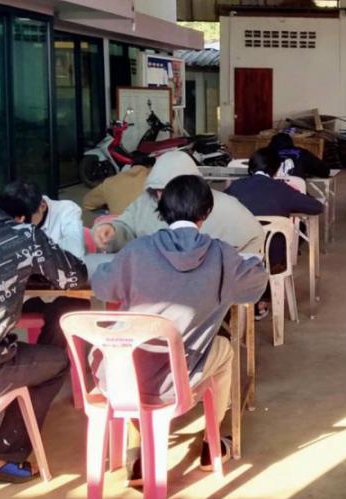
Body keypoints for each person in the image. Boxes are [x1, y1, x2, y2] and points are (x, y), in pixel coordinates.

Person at [92, 175, 268, 485]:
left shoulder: (137, 250)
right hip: (176, 382)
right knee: (224, 350)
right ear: (206, 212)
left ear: (161, 209)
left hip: (118, 378)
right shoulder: (221, 255)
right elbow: (255, 287)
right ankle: (211, 443)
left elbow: (103, 287)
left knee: (136, 354)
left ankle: (138, 450)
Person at [0, 195, 88, 484]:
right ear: (20, 218)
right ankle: (0, 452)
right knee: (56, 363)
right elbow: (74, 277)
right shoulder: (23, 235)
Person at [92, 150, 264, 254]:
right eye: (159, 190)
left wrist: (229, 274)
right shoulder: (146, 201)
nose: (162, 197)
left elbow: (254, 237)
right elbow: (127, 227)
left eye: (170, 191)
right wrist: (112, 232)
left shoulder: (225, 207)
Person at [226, 148, 324, 317]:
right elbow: (316, 207)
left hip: (240, 255)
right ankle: (263, 298)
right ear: (276, 170)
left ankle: (246, 302)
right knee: (272, 249)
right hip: (274, 259)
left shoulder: (235, 187)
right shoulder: (281, 189)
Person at [1, 180, 85, 258]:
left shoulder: (67, 211)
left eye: (26, 221)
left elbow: (75, 251)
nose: (20, 225)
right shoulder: (4, 212)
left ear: (43, 206)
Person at [82, 159, 153, 215]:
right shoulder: (154, 181)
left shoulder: (110, 181)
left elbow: (87, 202)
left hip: (118, 225)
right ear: (151, 167)